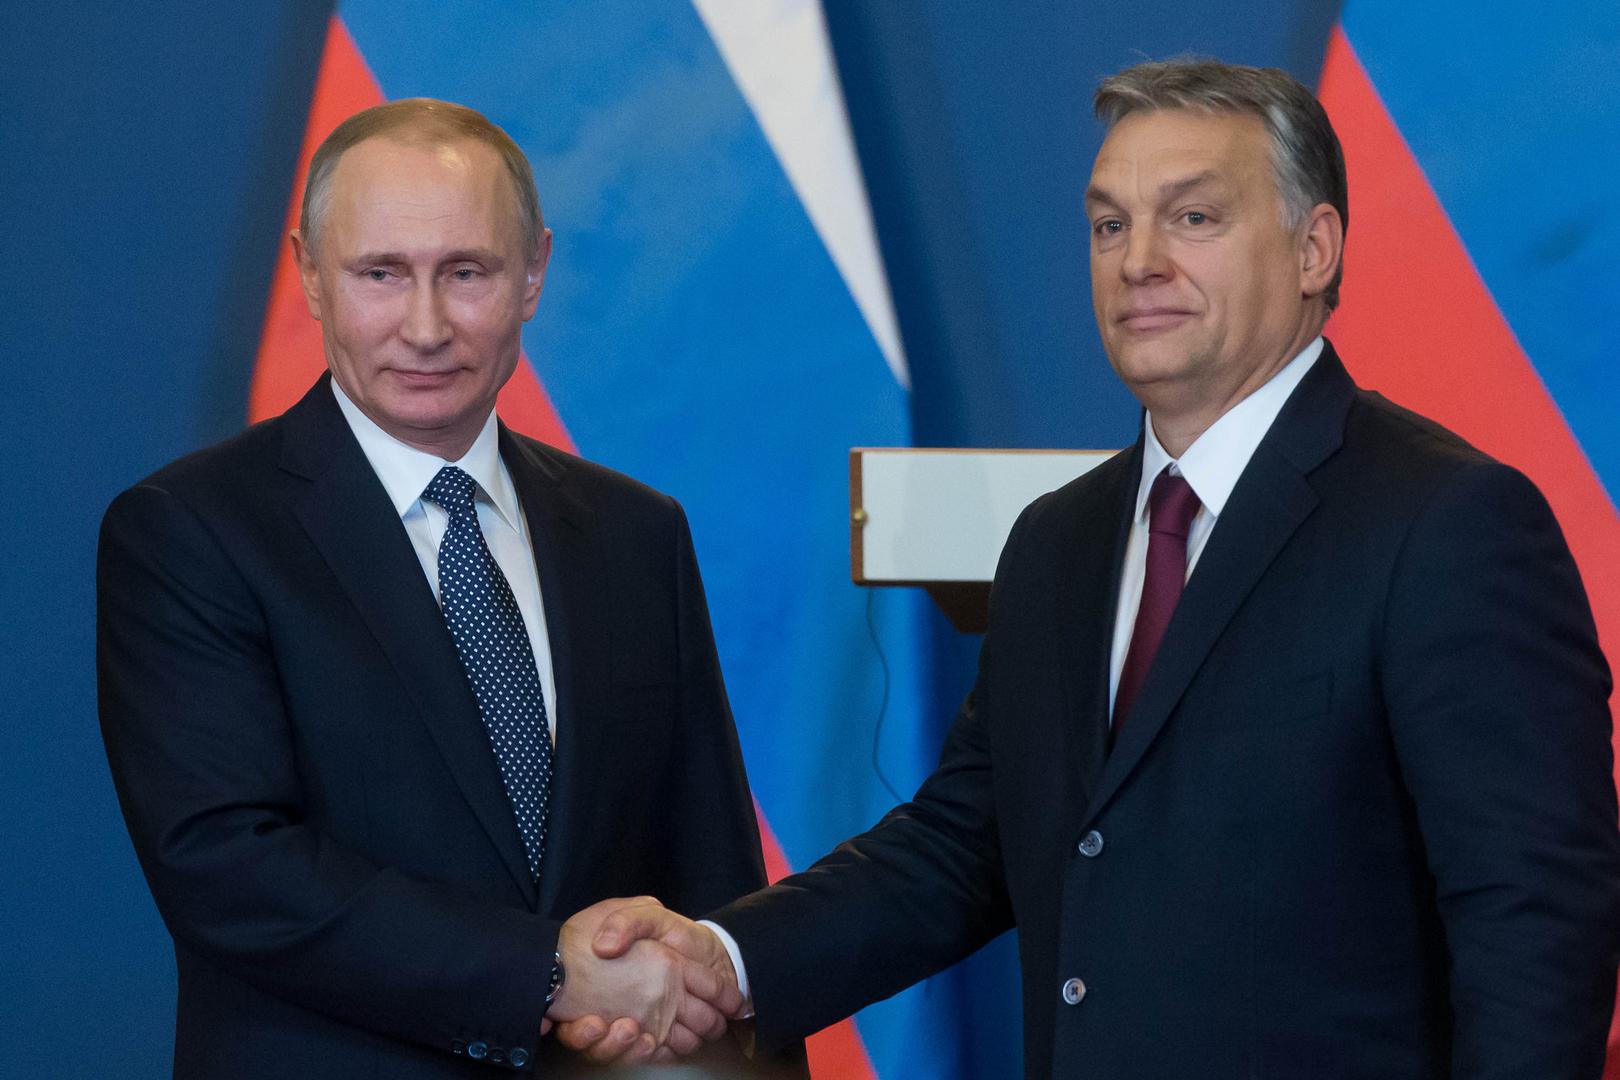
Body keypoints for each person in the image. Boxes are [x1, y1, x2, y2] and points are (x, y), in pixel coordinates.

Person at [557, 59, 1620, 1077]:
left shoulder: (1448, 521)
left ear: (1315, 248)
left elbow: (1534, 920)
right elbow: (961, 848)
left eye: (1193, 217)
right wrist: (722, 959)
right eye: (1110, 224)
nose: (1138, 259)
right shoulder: (1059, 541)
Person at [97, 99, 796, 1078]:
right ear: (306, 271)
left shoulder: (638, 535)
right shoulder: (194, 530)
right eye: (381, 274)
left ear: (534, 275)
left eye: (466, 273)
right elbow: (229, 868)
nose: (425, 325)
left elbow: (715, 883)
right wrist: (543, 973)